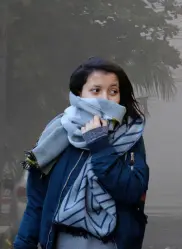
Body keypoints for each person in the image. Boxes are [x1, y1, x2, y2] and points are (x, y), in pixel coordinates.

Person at [14, 57, 149, 249]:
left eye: (113, 91)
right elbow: (37, 202)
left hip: (113, 243)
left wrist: (100, 145)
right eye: (96, 90)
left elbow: (132, 191)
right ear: (79, 93)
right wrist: (24, 244)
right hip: (62, 241)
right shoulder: (56, 134)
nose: (105, 98)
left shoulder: (130, 136)